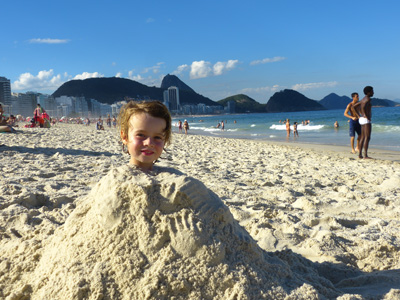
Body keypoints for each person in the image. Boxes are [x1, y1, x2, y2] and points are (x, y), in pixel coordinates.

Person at [119, 100, 171, 172]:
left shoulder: (175, 176)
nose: (149, 143)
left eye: (157, 137)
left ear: (164, 140)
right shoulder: (113, 178)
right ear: (125, 137)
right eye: (140, 135)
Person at [355, 86, 374, 159]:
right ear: (368, 92)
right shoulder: (367, 99)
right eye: (372, 91)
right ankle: (365, 155)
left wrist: (359, 115)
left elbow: (354, 107)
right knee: (367, 137)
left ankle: (360, 154)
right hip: (365, 120)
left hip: (361, 119)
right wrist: (366, 115)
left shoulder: (363, 99)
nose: (373, 92)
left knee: (362, 137)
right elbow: (363, 107)